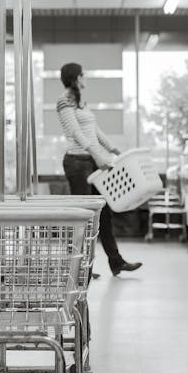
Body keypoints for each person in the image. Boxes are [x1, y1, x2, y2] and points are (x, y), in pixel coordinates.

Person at [56, 62, 142, 276]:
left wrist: (114, 150)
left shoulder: (81, 102)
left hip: (91, 162)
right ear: (76, 78)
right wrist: (97, 154)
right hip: (77, 163)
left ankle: (116, 262)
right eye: (83, 74)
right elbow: (76, 132)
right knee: (83, 218)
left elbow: (95, 131)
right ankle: (78, 268)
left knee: (104, 214)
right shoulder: (64, 102)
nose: (86, 77)